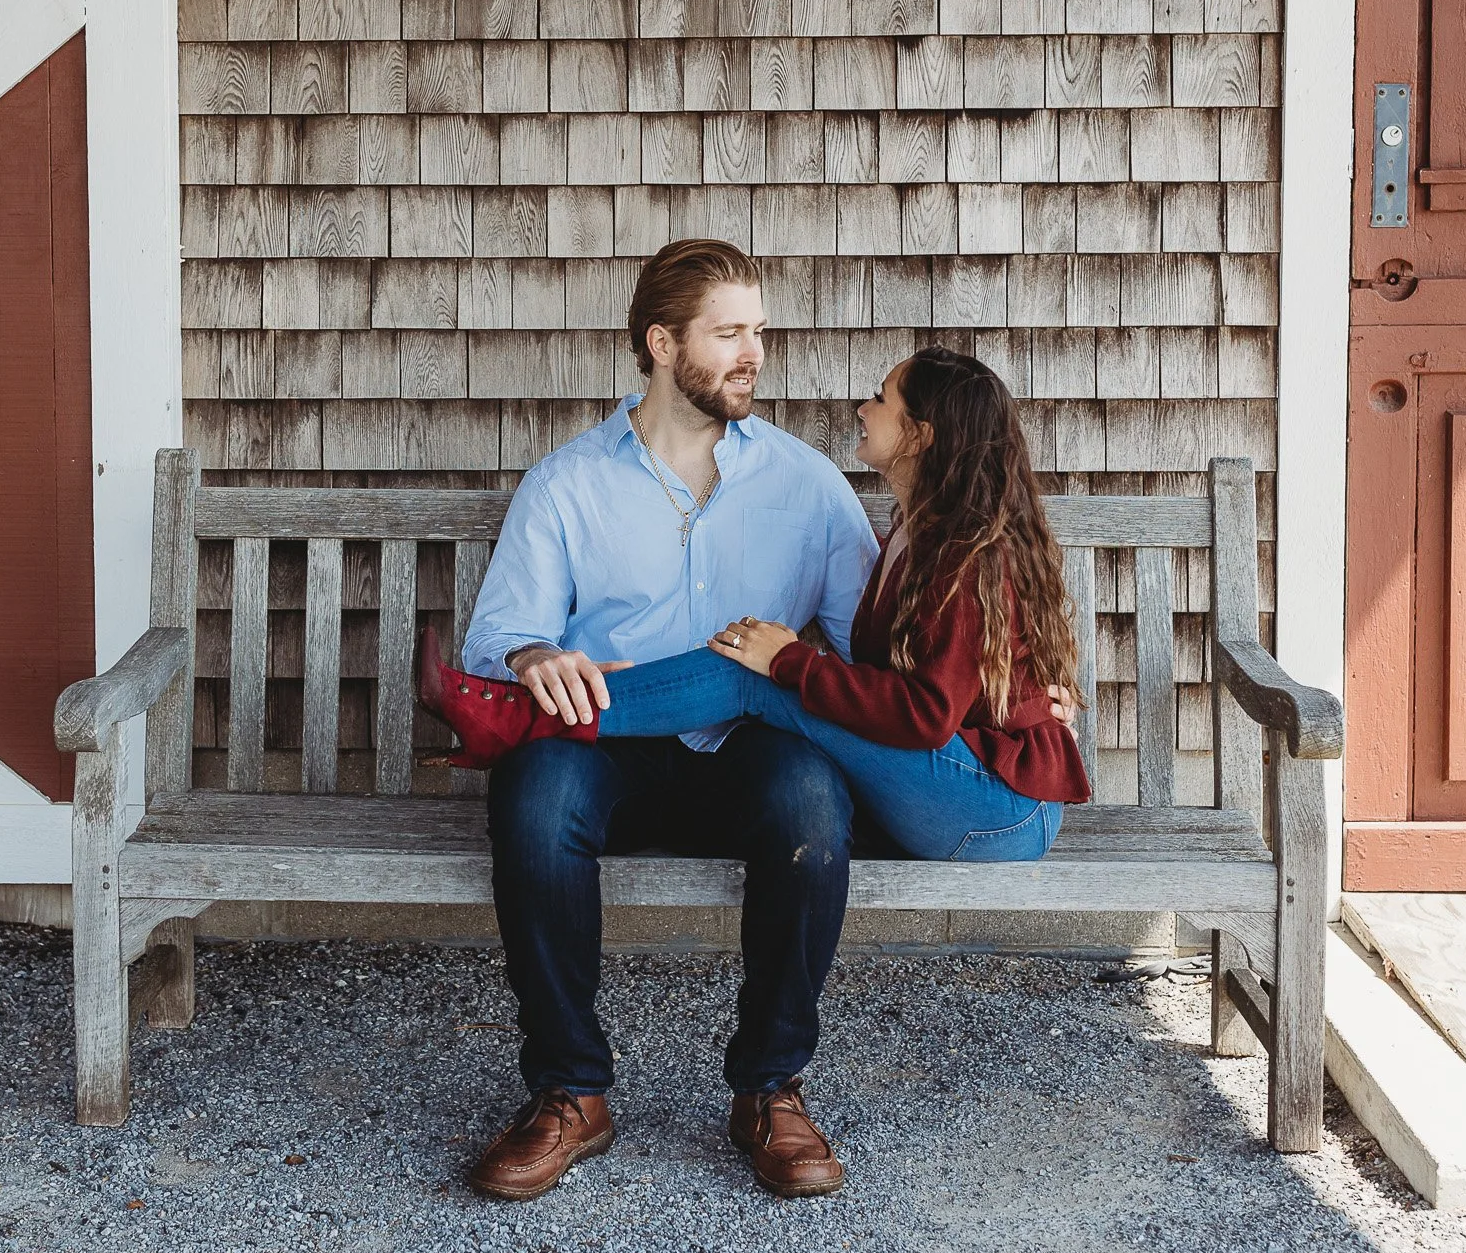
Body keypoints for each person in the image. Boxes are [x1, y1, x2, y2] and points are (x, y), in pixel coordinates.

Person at [449, 238, 878, 1202]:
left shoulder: (809, 486)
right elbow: (499, 638)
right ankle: (570, 1089)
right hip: (615, 748)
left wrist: (1015, 687)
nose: (753, 353)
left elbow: (869, 656)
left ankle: (770, 1087)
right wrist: (536, 656)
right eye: (728, 333)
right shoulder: (568, 482)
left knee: (813, 799)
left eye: (759, 332)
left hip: (747, 753)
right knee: (534, 789)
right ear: (659, 342)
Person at [426, 346, 1093, 866]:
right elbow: (906, 680)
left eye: (880, 398)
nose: (862, 407)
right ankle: (529, 716)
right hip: (955, 786)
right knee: (760, 672)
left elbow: (922, 713)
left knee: (757, 671)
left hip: (999, 809)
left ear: (919, 434)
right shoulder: (910, 534)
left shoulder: (966, 555)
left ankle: (521, 715)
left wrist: (793, 664)